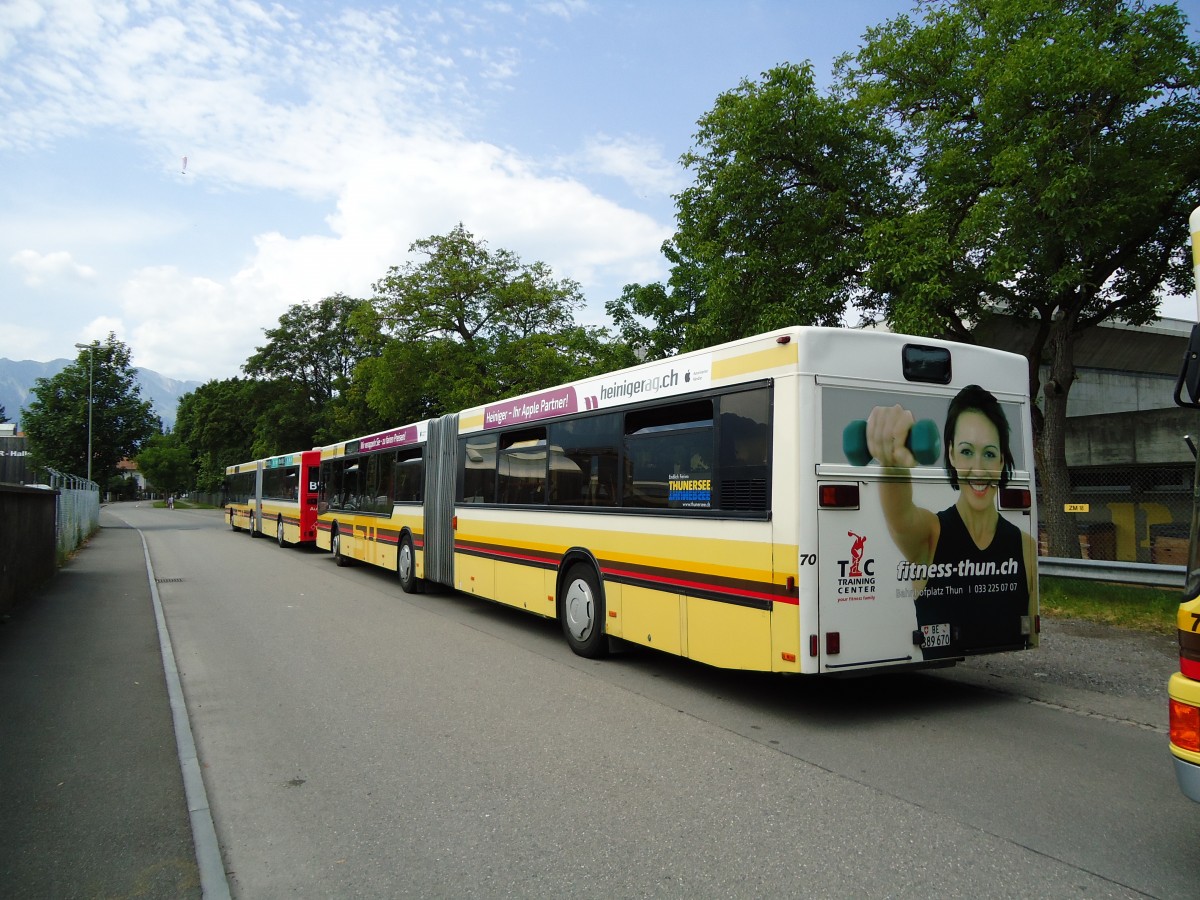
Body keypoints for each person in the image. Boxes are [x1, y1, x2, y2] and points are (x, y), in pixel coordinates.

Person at [866, 384, 1036, 659]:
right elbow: (900, 516)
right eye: (967, 451)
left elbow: (1032, 630)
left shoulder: (1025, 548)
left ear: (1002, 461)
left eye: (990, 454)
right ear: (952, 454)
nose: (978, 468)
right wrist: (893, 462)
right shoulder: (931, 533)